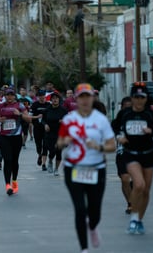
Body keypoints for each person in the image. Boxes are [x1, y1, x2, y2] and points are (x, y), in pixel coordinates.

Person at [57, 83, 116, 253]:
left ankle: (93, 226)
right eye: (81, 97)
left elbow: (112, 145)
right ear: (76, 99)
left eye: (87, 97)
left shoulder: (101, 119)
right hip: (73, 168)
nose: (84, 100)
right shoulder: (69, 119)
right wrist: (65, 141)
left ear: (92, 98)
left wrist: (99, 147)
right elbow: (59, 143)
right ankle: (84, 248)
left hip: (96, 168)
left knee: (95, 211)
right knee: (80, 209)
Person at [112, 82, 153, 235]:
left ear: (145, 98)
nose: (139, 100)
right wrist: (119, 136)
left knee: (146, 190)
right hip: (131, 154)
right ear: (132, 97)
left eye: (142, 97)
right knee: (139, 184)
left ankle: (138, 220)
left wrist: (151, 131)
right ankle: (134, 218)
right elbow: (114, 126)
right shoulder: (125, 114)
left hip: (148, 154)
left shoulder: (151, 114)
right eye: (136, 97)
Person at [0, 87, 30, 195]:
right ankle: (7, 185)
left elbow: (28, 118)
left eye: (11, 95)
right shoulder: (1, 106)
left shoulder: (20, 105)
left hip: (16, 137)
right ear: (4, 96)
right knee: (7, 160)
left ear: (14, 96)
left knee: (14, 161)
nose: (9, 97)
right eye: (7, 95)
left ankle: (14, 181)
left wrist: (19, 114)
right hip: (4, 137)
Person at [111, 96, 133, 214]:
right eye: (125, 108)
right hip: (122, 153)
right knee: (124, 179)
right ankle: (130, 203)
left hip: (137, 154)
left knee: (136, 182)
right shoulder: (117, 122)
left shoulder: (139, 119)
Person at [42, 91, 68, 176]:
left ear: (59, 100)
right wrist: (45, 125)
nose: (55, 100)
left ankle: (56, 169)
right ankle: (50, 160)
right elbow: (43, 120)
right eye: (53, 99)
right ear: (51, 100)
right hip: (49, 133)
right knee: (52, 150)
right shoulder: (47, 109)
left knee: (58, 152)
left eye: (56, 98)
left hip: (60, 134)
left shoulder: (63, 110)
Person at [30, 89, 51, 169]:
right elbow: (30, 116)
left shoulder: (48, 105)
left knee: (45, 145)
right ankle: (39, 154)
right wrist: (37, 117)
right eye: (40, 96)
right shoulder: (35, 105)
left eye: (43, 96)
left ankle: (43, 164)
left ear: (45, 96)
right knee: (38, 145)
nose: (41, 97)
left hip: (46, 128)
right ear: (37, 97)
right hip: (37, 128)